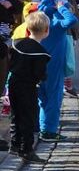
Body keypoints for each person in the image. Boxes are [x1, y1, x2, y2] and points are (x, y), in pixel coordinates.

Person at [35, 0, 77, 141]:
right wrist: (62, 8)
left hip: (39, 66)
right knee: (54, 98)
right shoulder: (56, 24)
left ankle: (43, 128)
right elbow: (72, 20)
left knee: (43, 99)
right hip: (53, 67)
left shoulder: (39, 21)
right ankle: (49, 131)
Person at [9, 11, 50, 160]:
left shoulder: (18, 43)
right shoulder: (40, 52)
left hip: (13, 82)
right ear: (46, 31)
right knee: (28, 117)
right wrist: (42, 78)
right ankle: (26, 149)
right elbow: (40, 73)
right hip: (28, 86)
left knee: (16, 114)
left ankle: (14, 144)